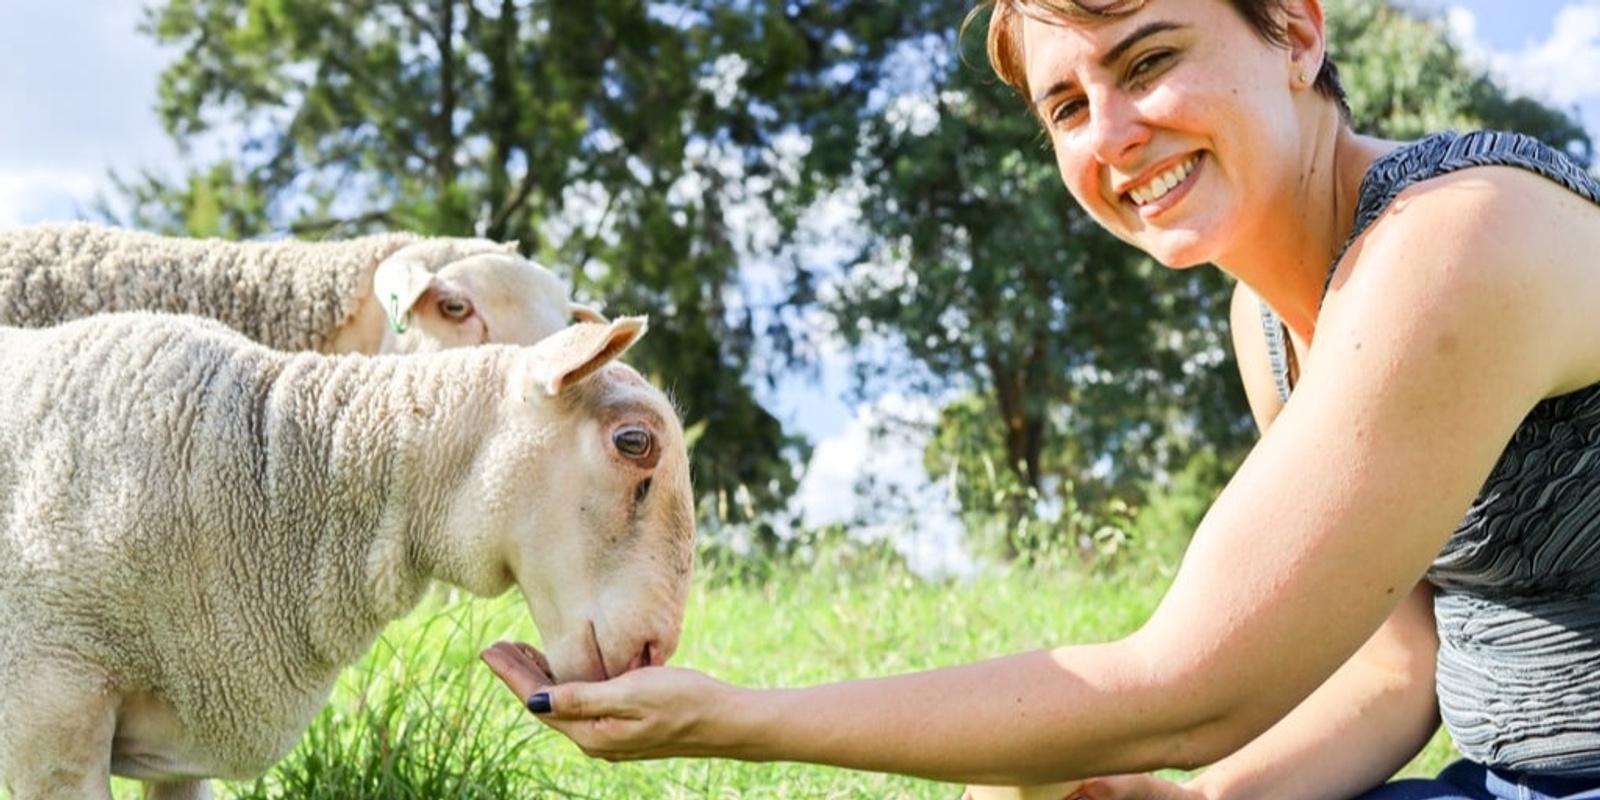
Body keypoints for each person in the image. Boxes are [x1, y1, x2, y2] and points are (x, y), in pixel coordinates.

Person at [480, 1, 1600, 798]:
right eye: (1066, 105)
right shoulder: (1269, 320)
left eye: (1149, 57)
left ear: (1297, 33)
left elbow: (1188, 684)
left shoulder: (1456, 239)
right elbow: (1396, 657)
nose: (1110, 137)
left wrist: (740, 718)